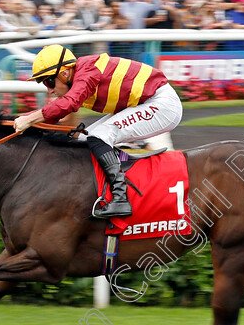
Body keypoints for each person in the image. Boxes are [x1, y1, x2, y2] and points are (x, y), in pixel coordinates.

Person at [13, 44, 183, 219]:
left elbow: (69, 104)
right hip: (147, 103)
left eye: (49, 81)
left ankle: (121, 198)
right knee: (83, 141)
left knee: (98, 137)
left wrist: (29, 119)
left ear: (64, 73)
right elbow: (53, 114)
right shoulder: (78, 74)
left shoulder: (87, 71)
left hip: (162, 105)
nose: (49, 89)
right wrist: (16, 120)